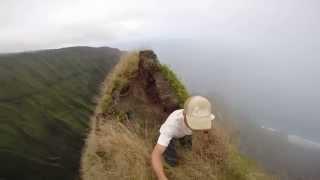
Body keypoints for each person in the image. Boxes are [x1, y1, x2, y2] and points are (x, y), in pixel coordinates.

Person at [151, 96, 215, 180]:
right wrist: (161, 177)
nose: (196, 127)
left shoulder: (201, 115)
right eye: (194, 122)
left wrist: (206, 134)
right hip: (173, 135)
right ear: (184, 114)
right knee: (172, 161)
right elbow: (156, 154)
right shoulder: (171, 126)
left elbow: (206, 124)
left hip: (184, 134)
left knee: (187, 151)